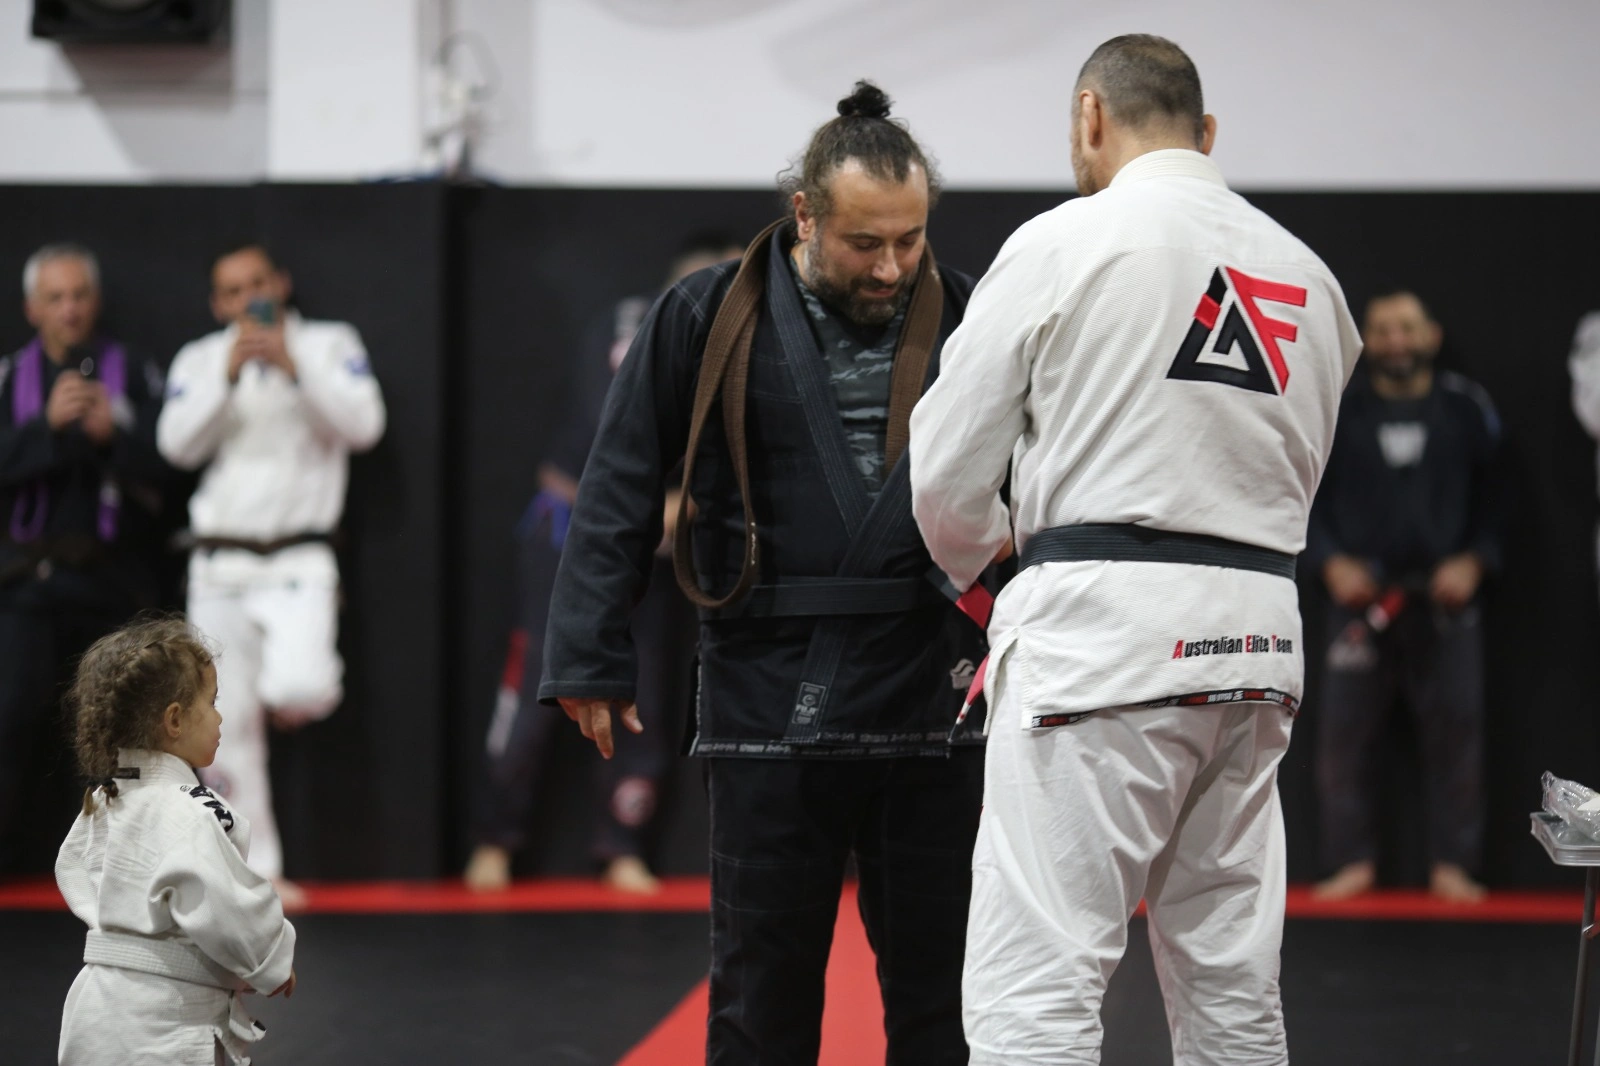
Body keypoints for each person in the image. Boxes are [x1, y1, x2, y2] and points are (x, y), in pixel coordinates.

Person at [908, 36, 1362, 1064]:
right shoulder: (1310, 277)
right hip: (1256, 644)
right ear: (1207, 135)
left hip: (1098, 641)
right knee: (1232, 984)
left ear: (1090, 116)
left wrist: (992, 569)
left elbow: (943, 473)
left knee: (1038, 982)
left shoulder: (1065, 241)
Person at [539, 82, 989, 1064]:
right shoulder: (707, 313)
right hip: (768, 682)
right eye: (865, 243)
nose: (892, 266)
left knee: (945, 996)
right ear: (805, 215)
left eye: (909, 239)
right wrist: (588, 652)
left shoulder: (970, 310)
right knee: (760, 993)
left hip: (931, 683)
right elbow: (619, 480)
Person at [464, 233, 743, 895]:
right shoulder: (631, 323)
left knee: (643, 691)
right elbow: (615, 429)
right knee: (539, 681)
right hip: (572, 528)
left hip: (656, 543)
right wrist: (670, 500)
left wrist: (691, 503)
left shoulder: (748, 345)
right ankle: (495, 837)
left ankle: (623, 844)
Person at [156, 242, 386, 906]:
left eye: (257, 282)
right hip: (220, 561)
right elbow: (176, 445)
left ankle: (285, 702)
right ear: (217, 303)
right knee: (226, 728)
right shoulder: (202, 358)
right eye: (232, 290)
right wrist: (226, 378)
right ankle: (255, 874)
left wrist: (294, 367)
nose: (248, 298)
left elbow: (365, 426)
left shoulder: (328, 343)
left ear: (281, 284)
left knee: (301, 685)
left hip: (299, 557)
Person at [1308, 290, 1501, 904]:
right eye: (1384, 329)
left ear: (1431, 336)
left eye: (1408, 328)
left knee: (1458, 736)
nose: (1396, 341)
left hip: (1446, 601)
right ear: (1366, 340)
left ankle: (1454, 863)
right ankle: (1350, 860)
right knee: (1343, 738)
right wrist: (1329, 562)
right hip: (1359, 599)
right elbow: (1302, 493)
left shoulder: (1466, 408)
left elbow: (1501, 499)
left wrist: (1475, 561)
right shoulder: (1339, 410)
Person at [0, 243, 175, 872]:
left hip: (113, 584)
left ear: (95, 302)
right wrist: (44, 429)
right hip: (28, 583)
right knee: (10, 717)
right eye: (55, 298)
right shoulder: (7, 379)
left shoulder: (136, 374)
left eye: (78, 296)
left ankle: (128, 865)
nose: (69, 309)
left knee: (120, 731)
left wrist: (113, 438)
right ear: (32, 308)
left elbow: (173, 466)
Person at [56, 616, 296, 1066]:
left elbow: (73, 872)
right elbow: (228, 904)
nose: (220, 716)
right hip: (167, 1022)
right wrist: (270, 960)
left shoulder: (104, 801)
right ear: (174, 720)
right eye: (212, 702)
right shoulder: (187, 810)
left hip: (96, 1010)